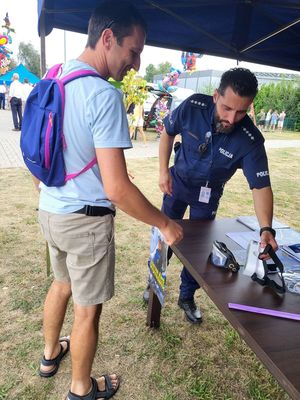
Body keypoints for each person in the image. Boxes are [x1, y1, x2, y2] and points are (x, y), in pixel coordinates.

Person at [35, 2, 183, 400]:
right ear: (107, 38)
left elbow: (50, 149)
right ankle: (81, 389)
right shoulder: (103, 95)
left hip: (51, 211)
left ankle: (50, 355)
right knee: (87, 309)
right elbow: (117, 190)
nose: (135, 64)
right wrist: (164, 223)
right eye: (133, 51)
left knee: (60, 283)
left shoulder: (55, 76)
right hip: (85, 224)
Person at [143, 68, 278, 324]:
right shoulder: (193, 106)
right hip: (177, 183)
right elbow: (168, 132)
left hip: (207, 195)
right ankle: (153, 284)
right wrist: (163, 171)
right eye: (227, 108)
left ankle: (186, 296)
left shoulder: (250, 140)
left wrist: (266, 228)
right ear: (216, 96)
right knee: (163, 237)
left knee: (197, 250)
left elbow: (260, 186)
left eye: (241, 111)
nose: (232, 118)